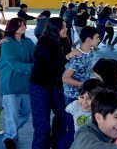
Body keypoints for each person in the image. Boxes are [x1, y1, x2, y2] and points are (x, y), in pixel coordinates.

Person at [30, 17, 81, 149]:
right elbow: (50, 66)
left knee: (62, 117)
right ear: (55, 29)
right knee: (42, 125)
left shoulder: (63, 41)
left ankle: (57, 144)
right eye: (63, 27)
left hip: (56, 85)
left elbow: (66, 63)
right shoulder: (44, 43)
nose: (66, 29)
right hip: (40, 86)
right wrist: (67, 57)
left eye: (65, 26)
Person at [0, 17, 35, 148]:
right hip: (10, 84)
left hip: (26, 84)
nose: (24, 26)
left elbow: (36, 57)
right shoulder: (6, 44)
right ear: (12, 27)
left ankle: (12, 130)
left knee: (26, 113)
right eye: (20, 25)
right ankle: (10, 137)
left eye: (24, 24)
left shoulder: (29, 42)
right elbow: (14, 64)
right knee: (12, 114)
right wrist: (33, 67)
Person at [61, 26, 99, 148]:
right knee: (74, 131)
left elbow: (88, 67)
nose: (99, 40)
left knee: (82, 130)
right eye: (97, 38)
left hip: (83, 96)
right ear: (89, 39)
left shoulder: (89, 52)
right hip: (74, 98)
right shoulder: (78, 56)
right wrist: (83, 85)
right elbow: (65, 78)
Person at [63, 79, 106, 148]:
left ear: (100, 100)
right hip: (76, 141)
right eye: (81, 97)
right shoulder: (75, 106)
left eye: (89, 98)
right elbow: (67, 111)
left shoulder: (102, 113)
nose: (84, 102)